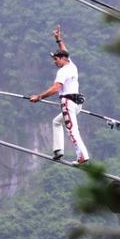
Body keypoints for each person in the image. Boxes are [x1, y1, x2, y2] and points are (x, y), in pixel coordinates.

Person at [29, 25, 90, 164]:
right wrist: (58, 40)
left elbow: (56, 88)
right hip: (77, 103)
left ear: (62, 59)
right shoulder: (72, 65)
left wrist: (39, 97)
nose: (54, 62)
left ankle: (82, 156)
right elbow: (65, 51)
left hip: (68, 103)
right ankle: (58, 151)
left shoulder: (62, 71)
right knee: (56, 122)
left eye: (56, 59)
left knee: (72, 130)